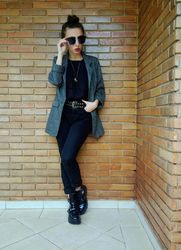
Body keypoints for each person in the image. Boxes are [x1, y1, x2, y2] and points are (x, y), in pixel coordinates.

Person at [45, 15, 105, 225]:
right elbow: (54, 81)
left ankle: (79, 189)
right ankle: (73, 202)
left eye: (81, 39)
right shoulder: (59, 61)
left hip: (83, 115)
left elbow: (100, 90)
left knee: (68, 156)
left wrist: (95, 104)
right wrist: (60, 55)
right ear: (64, 41)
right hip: (63, 116)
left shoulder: (92, 63)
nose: (77, 44)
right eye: (71, 40)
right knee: (64, 159)